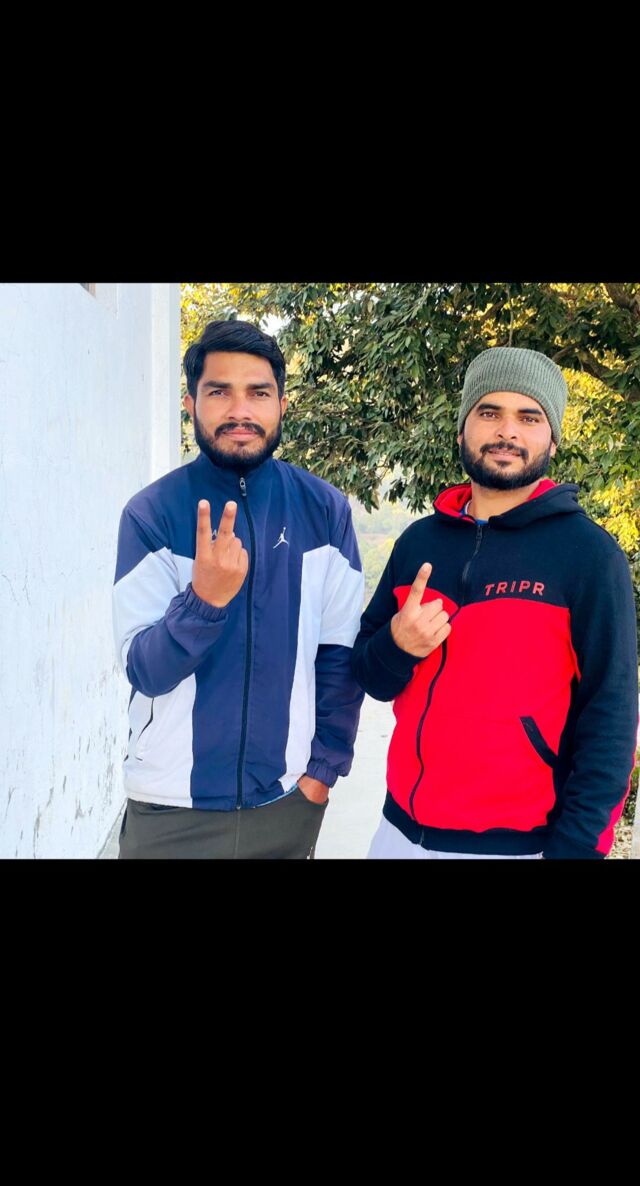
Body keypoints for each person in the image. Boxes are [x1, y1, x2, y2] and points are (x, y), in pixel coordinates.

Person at [352, 346, 638, 859]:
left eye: (529, 417)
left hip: (520, 846)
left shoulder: (590, 556)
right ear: (462, 429)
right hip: (396, 834)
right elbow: (371, 677)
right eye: (489, 412)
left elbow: (613, 718)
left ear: (552, 438)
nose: (507, 432)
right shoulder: (419, 543)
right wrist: (397, 645)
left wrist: (576, 849)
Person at [113, 319, 364, 858]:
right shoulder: (151, 514)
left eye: (258, 393)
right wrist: (203, 601)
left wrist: (322, 772)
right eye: (219, 391)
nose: (240, 410)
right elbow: (145, 670)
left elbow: (339, 655)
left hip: (286, 803)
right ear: (191, 403)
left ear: (282, 404)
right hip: (169, 808)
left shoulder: (325, 511)